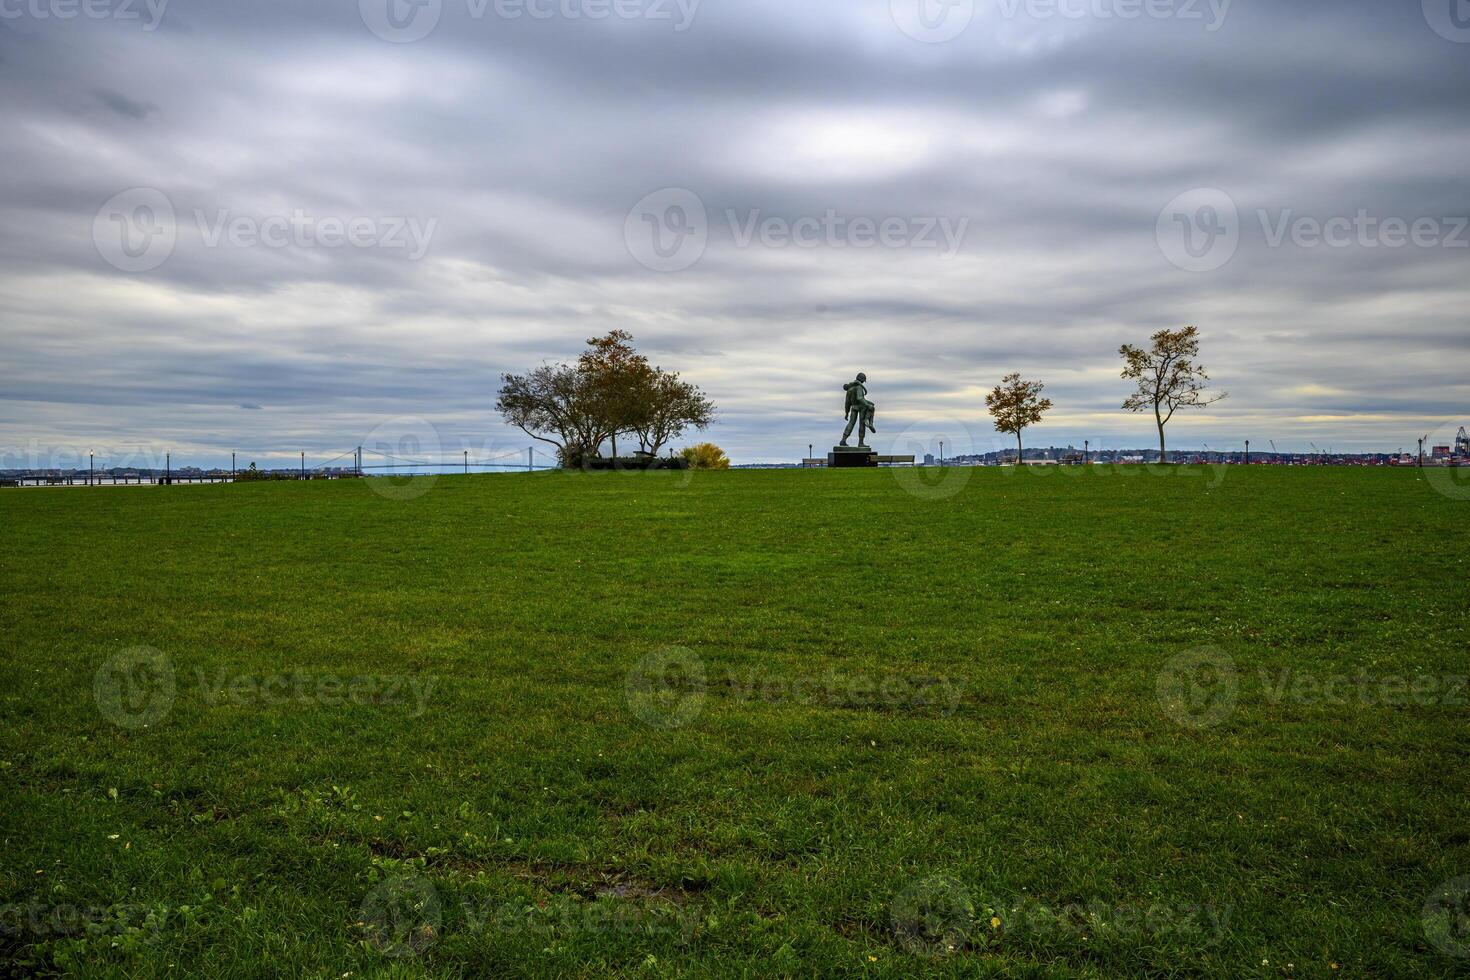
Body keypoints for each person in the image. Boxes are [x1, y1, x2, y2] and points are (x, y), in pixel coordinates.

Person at [840, 372, 876, 446]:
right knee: (862, 424)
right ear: (862, 380)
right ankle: (861, 442)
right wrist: (867, 405)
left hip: (853, 407)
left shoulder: (850, 389)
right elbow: (860, 398)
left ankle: (843, 440)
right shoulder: (859, 387)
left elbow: (847, 402)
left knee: (851, 423)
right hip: (861, 407)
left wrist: (847, 413)